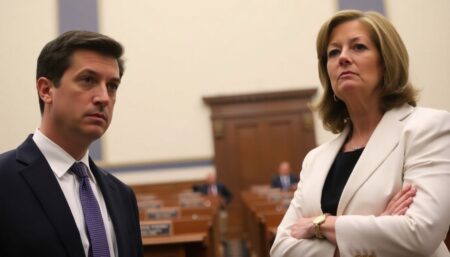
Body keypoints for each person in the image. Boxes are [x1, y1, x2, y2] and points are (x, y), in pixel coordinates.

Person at [270, 10, 450, 257]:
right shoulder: (315, 159)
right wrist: (377, 226)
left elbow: (420, 233)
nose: (343, 57)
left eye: (358, 47)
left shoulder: (427, 128)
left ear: (386, 63)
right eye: (334, 52)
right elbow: (280, 249)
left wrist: (319, 224)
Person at [0, 31, 143, 257]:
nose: (104, 97)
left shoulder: (122, 196)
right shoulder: (4, 180)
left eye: (112, 86)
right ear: (46, 90)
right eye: (88, 80)